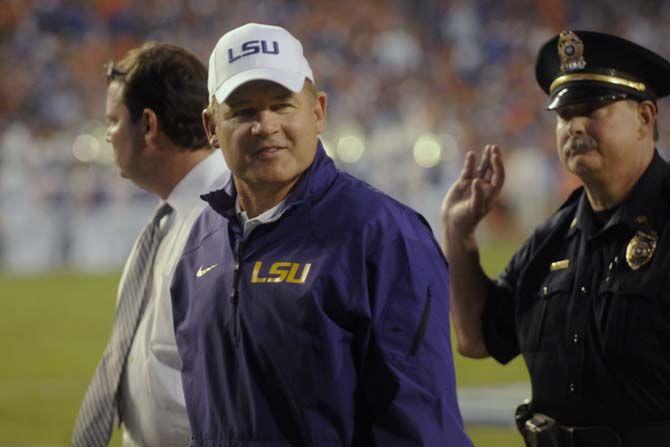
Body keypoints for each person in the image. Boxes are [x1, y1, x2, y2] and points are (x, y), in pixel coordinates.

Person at [170, 23, 472, 447]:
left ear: (318, 112)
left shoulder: (384, 236)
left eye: (282, 105)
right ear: (210, 128)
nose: (265, 125)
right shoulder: (201, 242)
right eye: (242, 111)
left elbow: (421, 429)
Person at [442, 30, 670, 447]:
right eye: (565, 114)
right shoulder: (553, 237)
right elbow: (477, 338)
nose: (575, 125)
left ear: (645, 118)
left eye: (594, 108)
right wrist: (459, 234)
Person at [72, 42, 229, 447]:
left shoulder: (226, 217)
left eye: (112, 121)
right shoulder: (175, 213)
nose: (107, 137)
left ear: (148, 125)